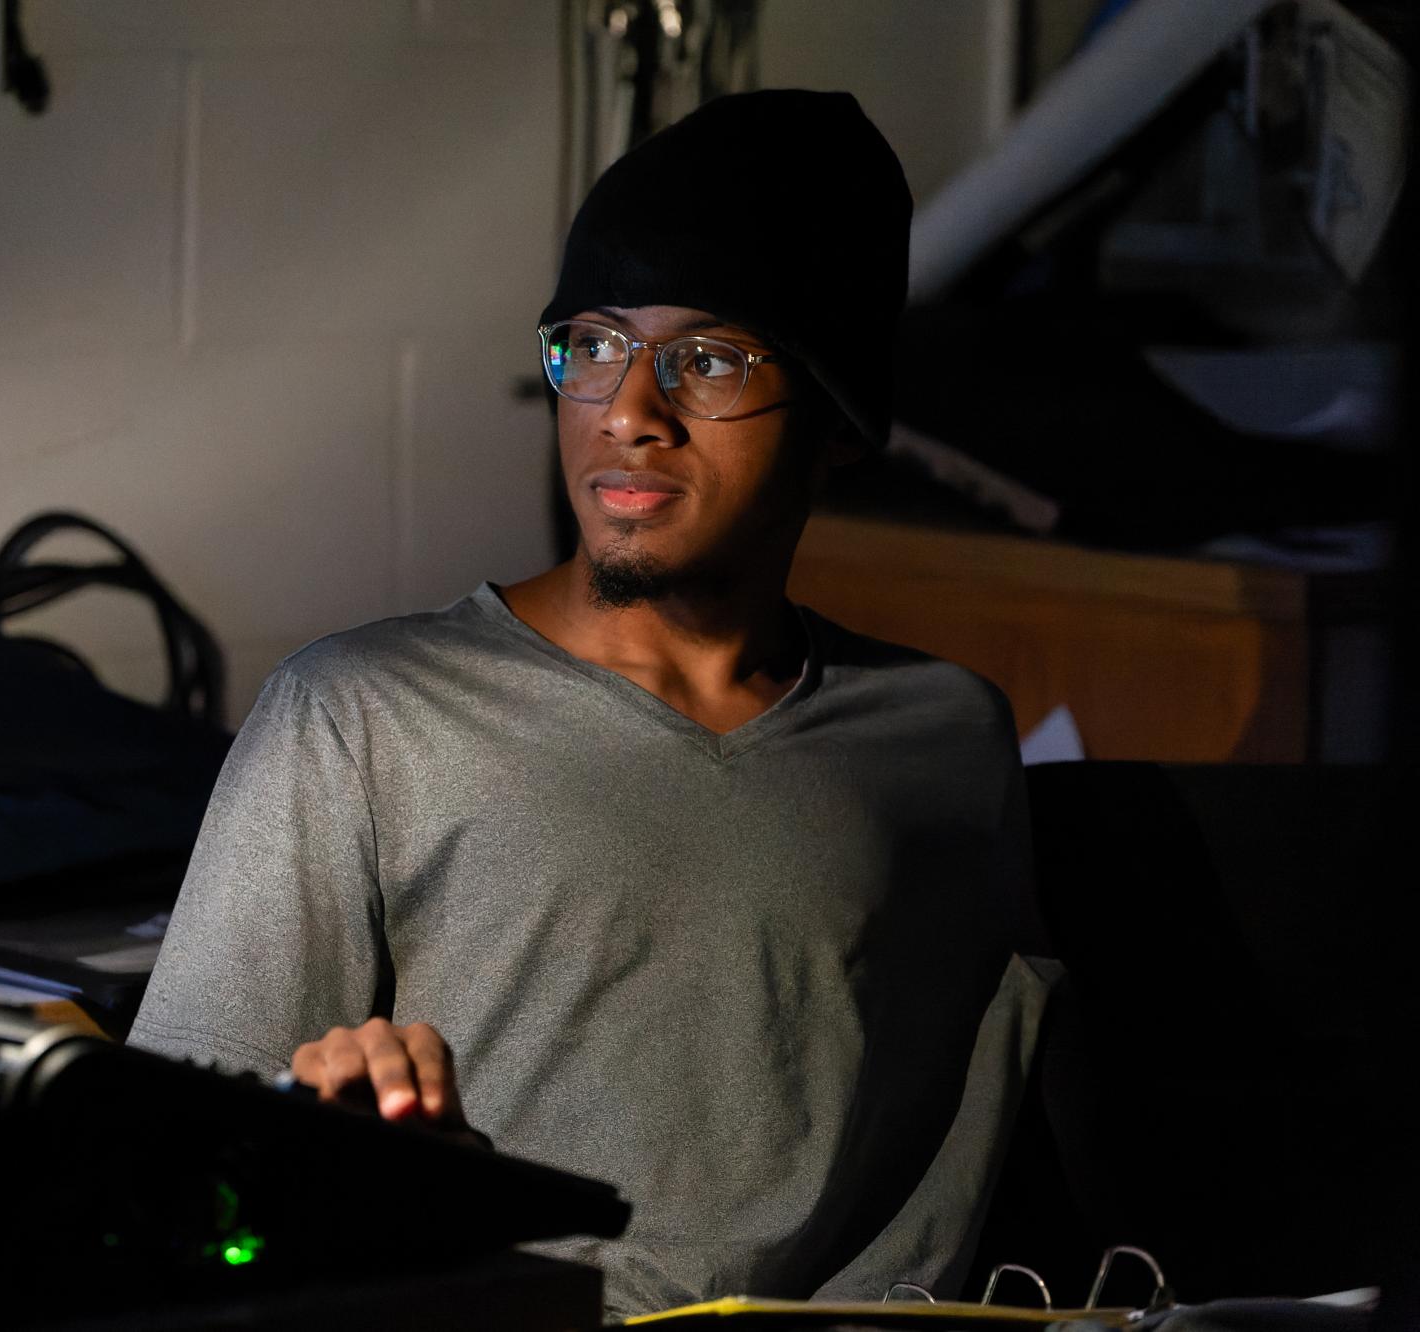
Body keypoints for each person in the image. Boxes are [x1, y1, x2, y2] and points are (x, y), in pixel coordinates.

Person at [128, 90, 1048, 1318]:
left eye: (709, 359)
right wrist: (356, 1180)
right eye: (594, 343)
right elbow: (165, 1181)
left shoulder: (945, 743)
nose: (628, 412)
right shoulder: (361, 716)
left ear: (835, 418)